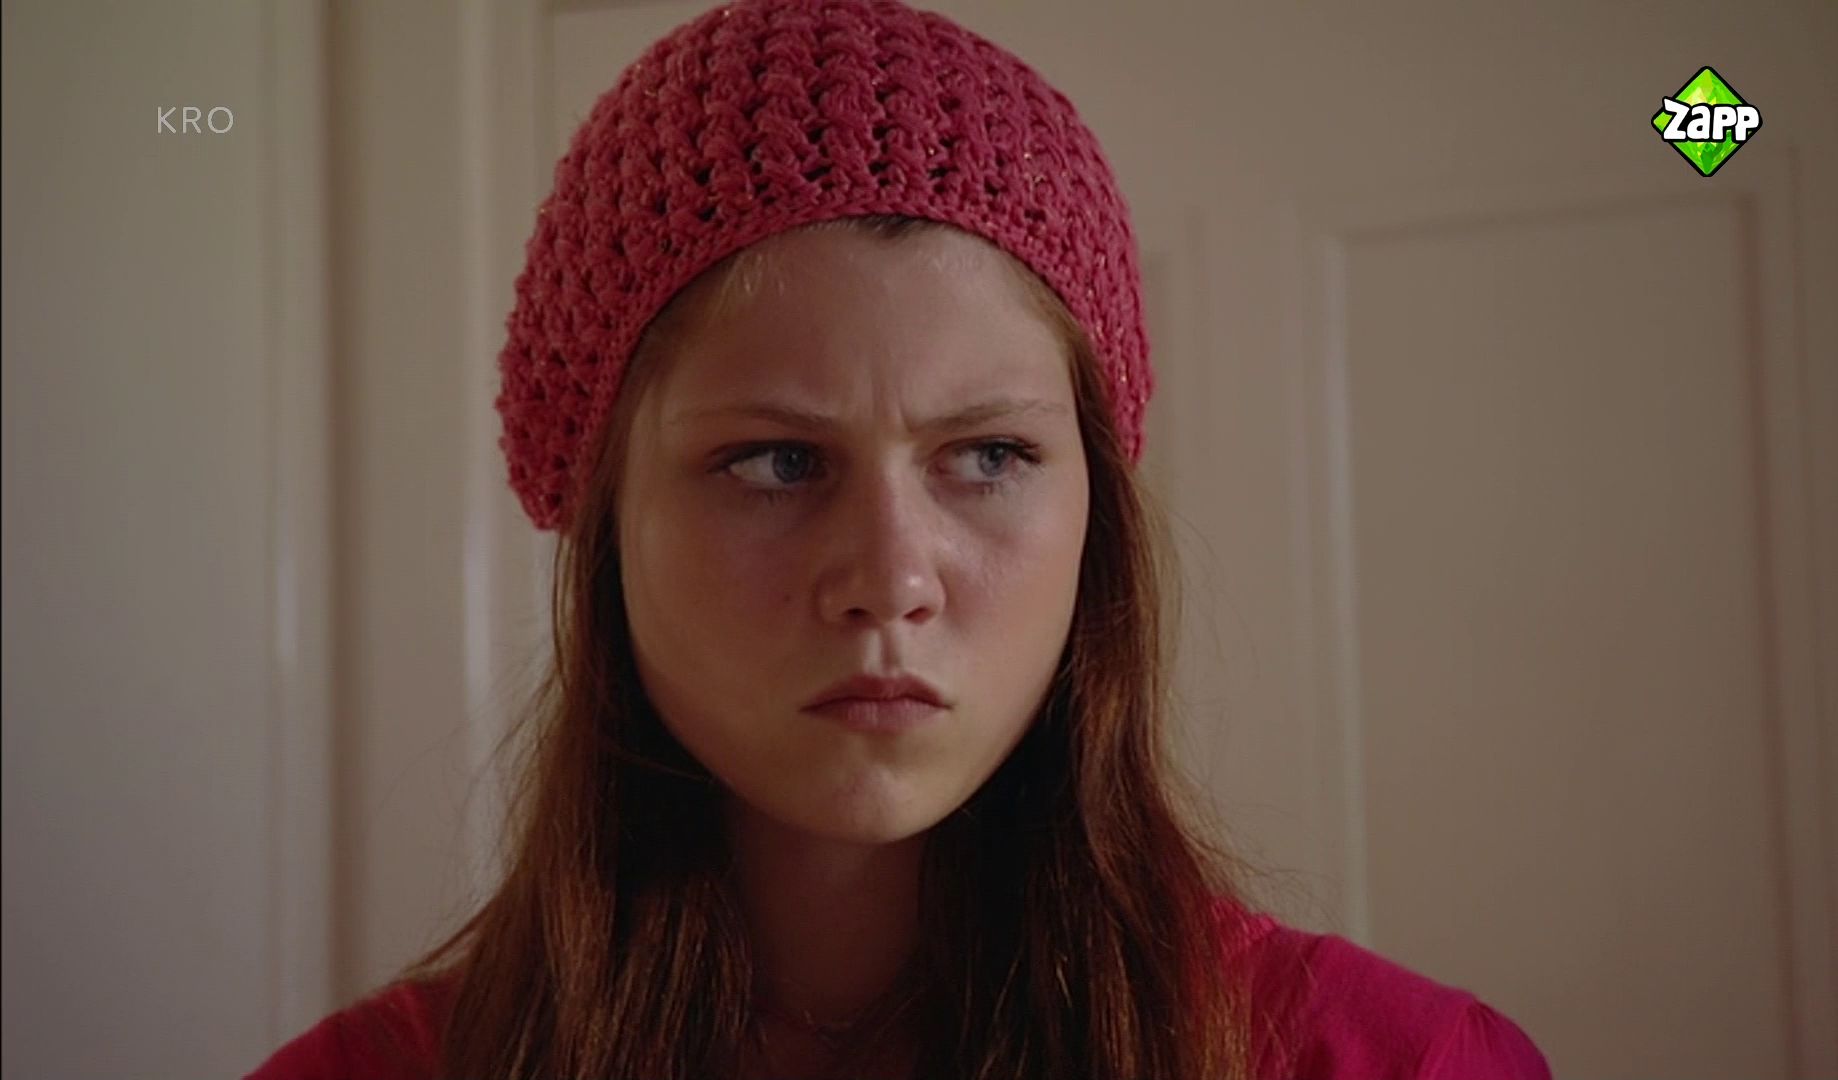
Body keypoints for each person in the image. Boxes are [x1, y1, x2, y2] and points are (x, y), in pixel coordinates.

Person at [247, 1, 1553, 1077]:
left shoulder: (1395, 1063)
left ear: (1094, 507)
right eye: (776, 462)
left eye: (989, 457)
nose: (890, 579)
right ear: (603, 520)